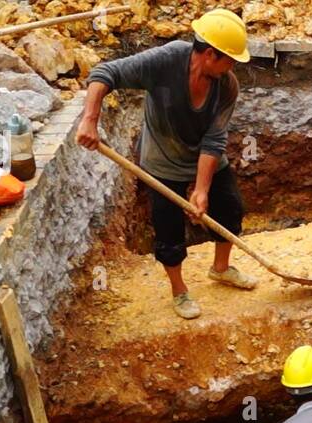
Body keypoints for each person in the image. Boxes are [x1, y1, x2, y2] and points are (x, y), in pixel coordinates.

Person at [76, 8, 257, 320]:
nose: (233, 67)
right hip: (161, 159)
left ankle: (221, 267)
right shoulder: (166, 62)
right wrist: (90, 120)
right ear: (211, 54)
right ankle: (179, 291)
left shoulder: (227, 85)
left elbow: (214, 141)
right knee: (169, 230)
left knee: (229, 207)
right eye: (230, 59)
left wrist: (201, 190)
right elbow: (104, 74)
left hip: (202, 155)